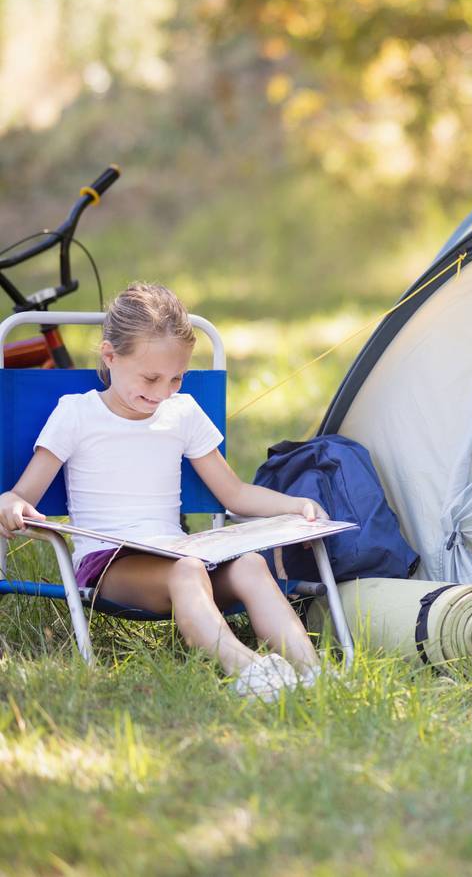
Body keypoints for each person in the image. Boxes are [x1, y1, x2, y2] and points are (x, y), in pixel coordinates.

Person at [0, 283, 327, 700]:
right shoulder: (76, 414)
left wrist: (297, 506)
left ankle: (310, 672)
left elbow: (235, 494)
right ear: (110, 356)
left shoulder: (182, 411)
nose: (162, 392)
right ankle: (249, 671)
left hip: (178, 554)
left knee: (249, 565)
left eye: (176, 378)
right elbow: (22, 493)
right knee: (188, 569)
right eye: (151, 377)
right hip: (110, 564)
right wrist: (10, 503)